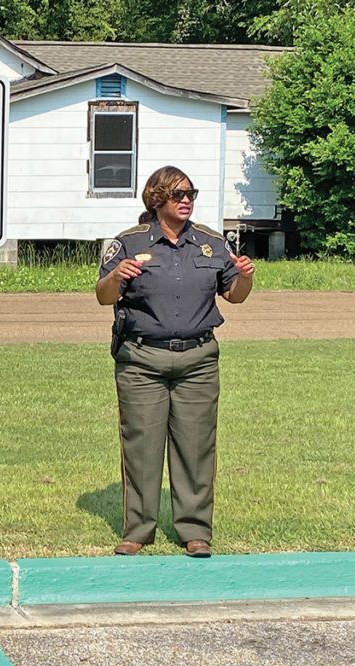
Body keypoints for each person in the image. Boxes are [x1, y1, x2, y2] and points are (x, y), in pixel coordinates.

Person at [96, 166, 254, 558]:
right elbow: (102, 295)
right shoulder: (128, 244)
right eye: (178, 194)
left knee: (196, 448)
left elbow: (234, 295)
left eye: (191, 193)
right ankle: (138, 531)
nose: (186, 200)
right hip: (141, 360)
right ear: (157, 200)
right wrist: (117, 275)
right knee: (141, 448)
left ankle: (195, 531)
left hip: (198, 360)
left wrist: (247, 276)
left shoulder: (210, 244)